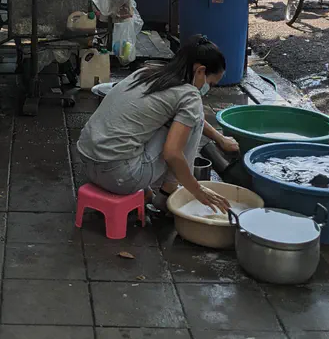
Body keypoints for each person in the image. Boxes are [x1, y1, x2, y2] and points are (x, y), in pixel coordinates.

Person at [76, 35, 240, 211]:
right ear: (200, 71)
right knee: (190, 119)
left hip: (86, 161)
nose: (207, 88)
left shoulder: (146, 73)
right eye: (211, 83)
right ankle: (166, 197)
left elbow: (189, 118)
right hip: (119, 177)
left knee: (175, 120)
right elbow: (172, 153)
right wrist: (197, 190)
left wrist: (219, 138)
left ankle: (145, 192)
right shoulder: (190, 96)